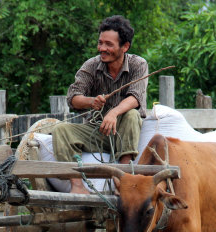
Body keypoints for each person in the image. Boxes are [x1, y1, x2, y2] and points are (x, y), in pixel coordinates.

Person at [53, 15, 148, 194]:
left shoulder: (138, 64)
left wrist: (113, 113)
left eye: (109, 44)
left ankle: (122, 178)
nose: (102, 48)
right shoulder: (91, 65)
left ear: (125, 46)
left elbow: (135, 97)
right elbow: (73, 97)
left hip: (125, 131)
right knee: (60, 130)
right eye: (100, 43)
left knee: (131, 114)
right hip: (98, 130)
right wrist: (91, 101)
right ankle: (78, 186)